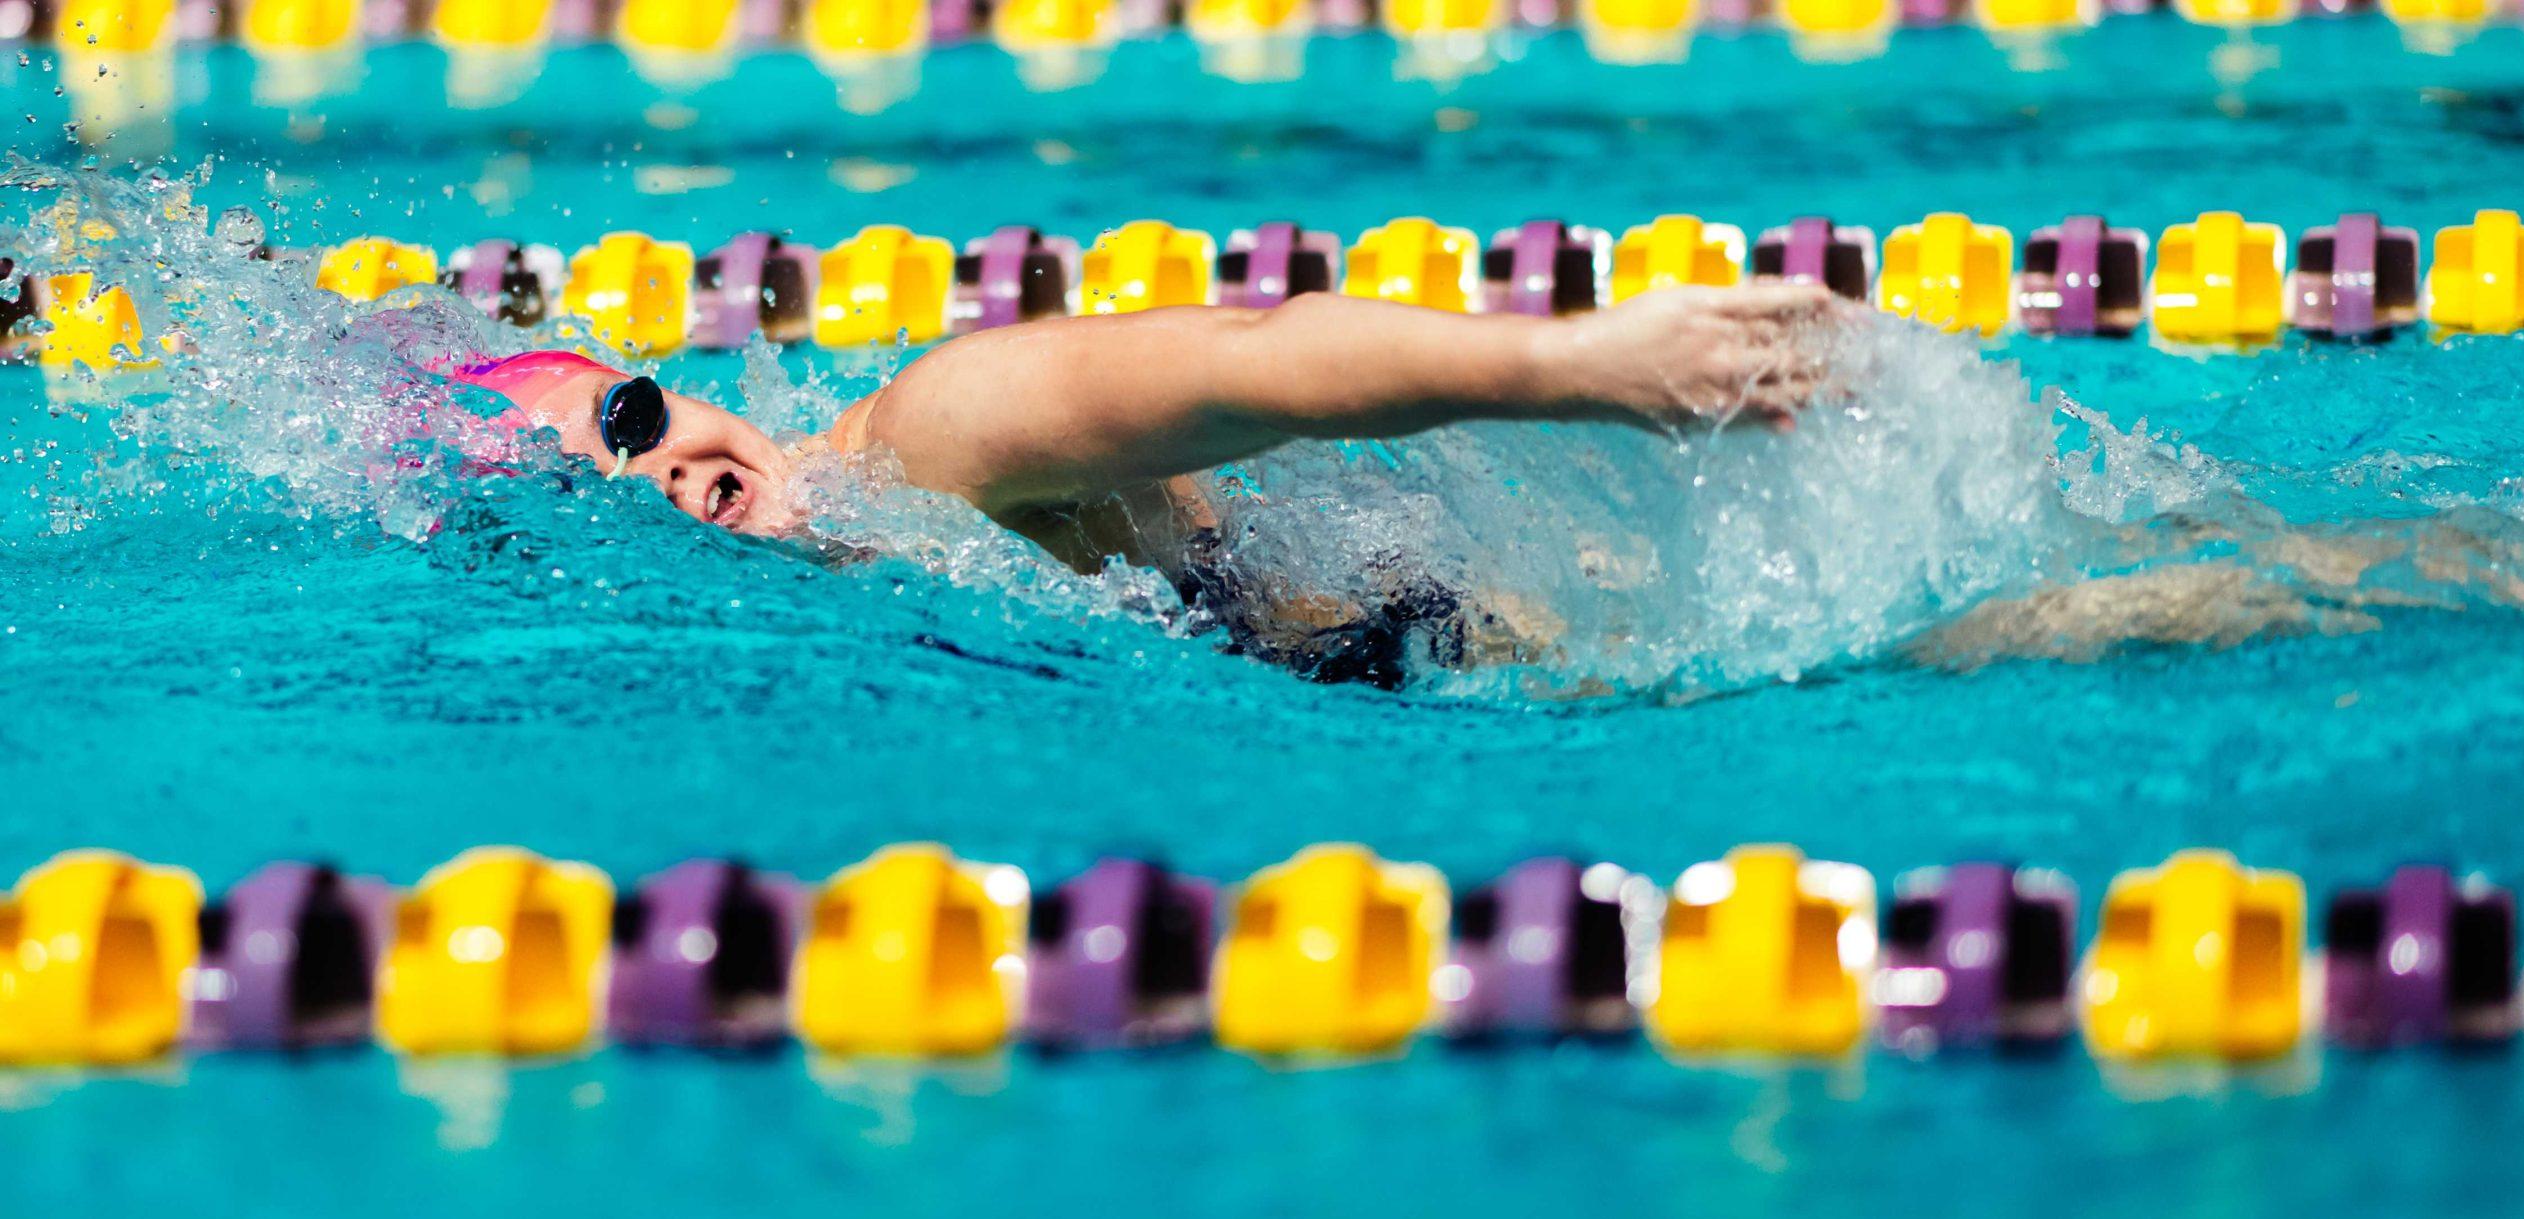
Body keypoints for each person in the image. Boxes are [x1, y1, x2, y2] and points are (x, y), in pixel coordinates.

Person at [458, 284, 1844, 684]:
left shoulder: (932, 439)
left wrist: (1576, 365)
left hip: (1490, 643)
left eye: (634, 416)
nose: (667, 472)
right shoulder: (851, 576)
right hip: (1426, 661)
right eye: (603, 486)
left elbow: (1255, 362)